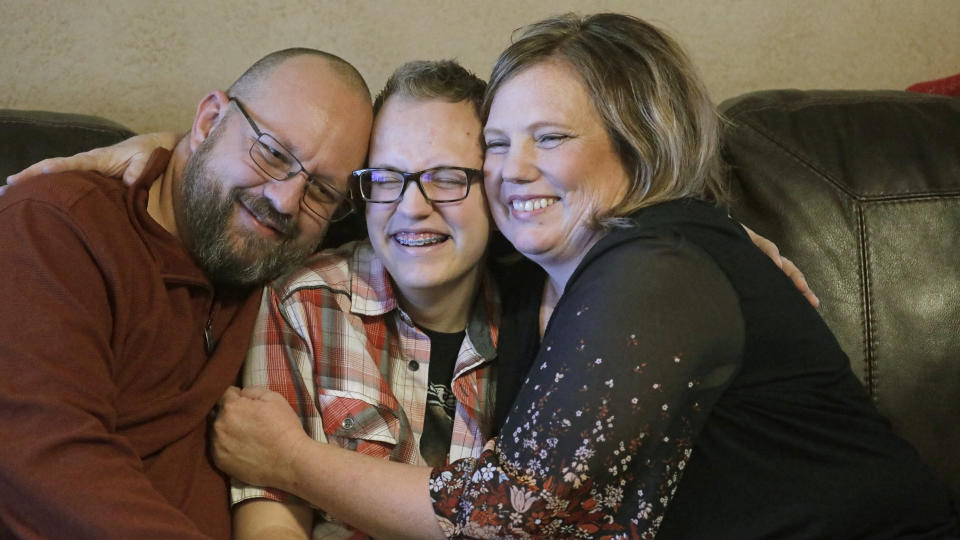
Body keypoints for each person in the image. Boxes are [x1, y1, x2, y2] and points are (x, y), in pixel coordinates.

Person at [209, 12, 959, 540]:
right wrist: (166, 152)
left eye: (551, 137)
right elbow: (353, 192)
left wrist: (290, 460)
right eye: (497, 145)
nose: (513, 171)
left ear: (638, 146)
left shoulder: (659, 263)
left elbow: (516, 516)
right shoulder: (532, 265)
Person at [0, 48, 372, 539]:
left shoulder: (280, 271)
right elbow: (40, 459)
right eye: (272, 152)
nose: (285, 201)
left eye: (321, 191)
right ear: (208, 121)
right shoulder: (58, 228)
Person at [231, 60, 501, 539]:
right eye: (387, 177)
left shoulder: (542, 322)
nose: (412, 208)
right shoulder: (304, 303)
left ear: (496, 187)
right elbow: (271, 521)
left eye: (445, 177)